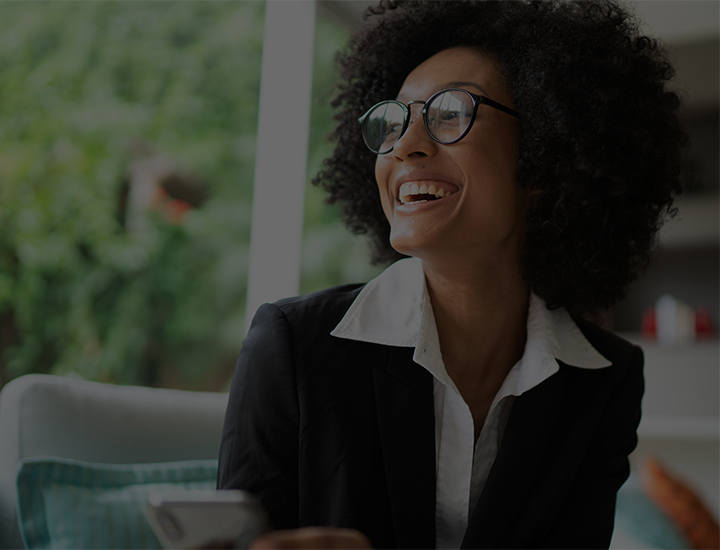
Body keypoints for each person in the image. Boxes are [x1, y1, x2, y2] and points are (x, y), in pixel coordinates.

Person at [218, 0, 686, 549]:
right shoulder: (291, 348)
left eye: (449, 113)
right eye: (393, 121)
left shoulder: (605, 380)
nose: (407, 146)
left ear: (543, 159)